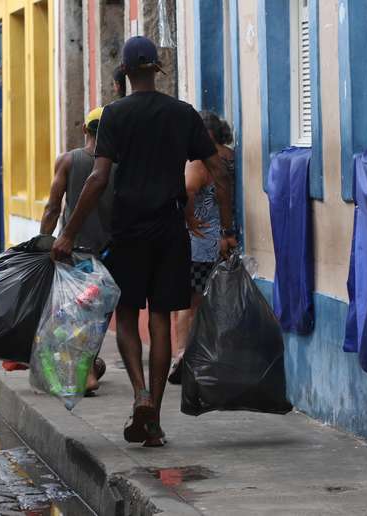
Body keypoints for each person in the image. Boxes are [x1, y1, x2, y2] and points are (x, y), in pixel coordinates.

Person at [51, 36, 236, 447]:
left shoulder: (115, 115)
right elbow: (219, 171)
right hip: (170, 230)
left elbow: (99, 179)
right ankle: (154, 410)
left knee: (130, 315)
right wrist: (226, 230)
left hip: (129, 230)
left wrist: (67, 232)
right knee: (160, 321)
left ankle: (139, 395)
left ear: (125, 74)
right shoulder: (182, 114)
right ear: (156, 69)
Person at [39, 106, 115, 393]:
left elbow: (52, 206)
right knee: (97, 317)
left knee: (72, 316)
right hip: (109, 254)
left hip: (72, 253)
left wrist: (43, 241)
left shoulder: (68, 160)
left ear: (85, 130)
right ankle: (89, 366)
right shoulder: (118, 163)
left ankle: (84, 374)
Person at [169, 111, 236, 385]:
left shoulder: (199, 161)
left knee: (186, 302)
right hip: (222, 240)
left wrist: (188, 219)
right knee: (212, 301)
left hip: (199, 243)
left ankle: (182, 356)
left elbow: (187, 190)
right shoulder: (230, 157)